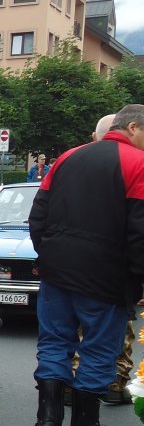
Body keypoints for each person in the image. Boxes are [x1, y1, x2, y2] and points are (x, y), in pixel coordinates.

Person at [29, 104, 144, 426]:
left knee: (54, 342)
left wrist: (48, 254)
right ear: (134, 128)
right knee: (98, 349)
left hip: (57, 271)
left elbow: (38, 214)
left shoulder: (67, 158)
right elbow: (140, 233)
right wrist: (138, 281)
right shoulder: (138, 164)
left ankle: (47, 422)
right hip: (106, 277)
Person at [67, 114, 135, 406]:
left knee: (72, 329)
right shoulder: (133, 164)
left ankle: (70, 385)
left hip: (70, 263)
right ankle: (111, 384)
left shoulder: (72, 161)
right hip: (113, 265)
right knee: (114, 329)